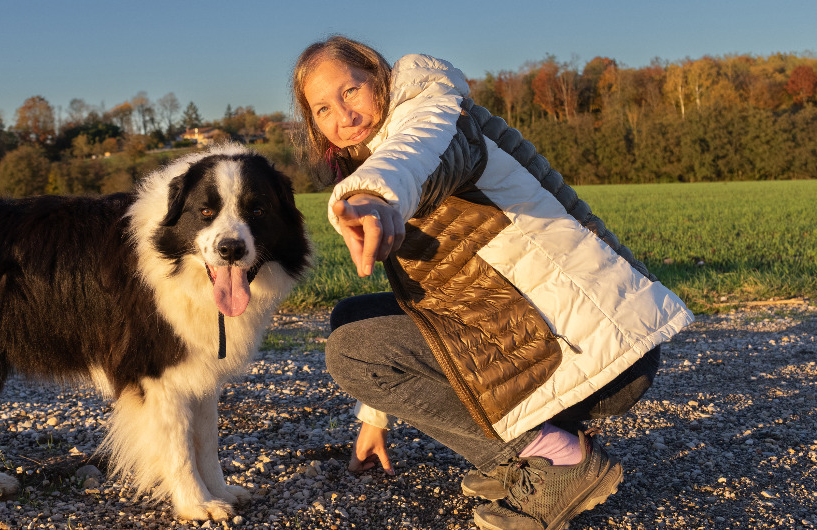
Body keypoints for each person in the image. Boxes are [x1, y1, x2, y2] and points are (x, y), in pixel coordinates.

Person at [291, 36, 693, 530]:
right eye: (323, 108)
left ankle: (551, 460)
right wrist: (374, 418)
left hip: (598, 350)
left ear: (379, 79)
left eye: (350, 91)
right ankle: (530, 447)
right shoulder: (393, 137)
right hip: (562, 335)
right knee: (352, 318)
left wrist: (374, 196)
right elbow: (421, 296)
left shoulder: (435, 118)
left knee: (352, 352)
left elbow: (416, 155)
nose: (343, 115)